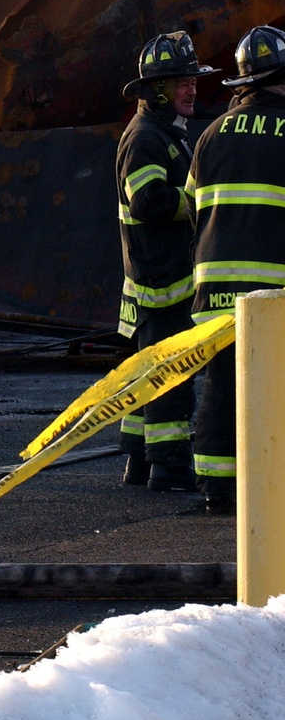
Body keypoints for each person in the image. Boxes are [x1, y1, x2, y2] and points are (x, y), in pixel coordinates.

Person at [186, 24, 285, 515]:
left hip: (214, 286)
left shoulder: (208, 136)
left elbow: (188, 205)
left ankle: (215, 485)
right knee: (274, 385)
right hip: (271, 289)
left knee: (223, 384)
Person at [116, 32, 217, 491]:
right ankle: (170, 467)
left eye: (192, 80)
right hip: (159, 279)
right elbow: (147, 201)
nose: (191, 89)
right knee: (168, 376)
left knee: (147, 371)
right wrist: (199, 200)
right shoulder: (144, 138)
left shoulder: (163, 133)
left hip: (158, 274)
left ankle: (140, 463)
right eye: (181, 82)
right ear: (157, 90)